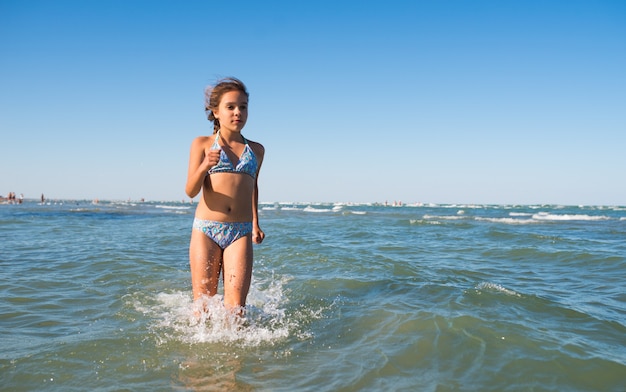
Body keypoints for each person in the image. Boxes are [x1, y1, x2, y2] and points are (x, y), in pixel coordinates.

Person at [185, 77, 265, 316]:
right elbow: (190, 191)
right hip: (206, 230)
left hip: (240, 231)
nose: (237, 112)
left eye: (243, 106)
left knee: (236, 309)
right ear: (216, 112)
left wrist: (255, 223)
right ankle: (197, 353)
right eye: (230, 107)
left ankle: (236, 355)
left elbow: (253, 186)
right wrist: (204, 166)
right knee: (203, 307)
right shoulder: (202, 144)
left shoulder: (257, 150)